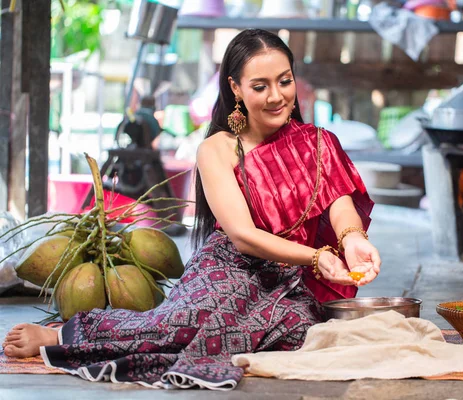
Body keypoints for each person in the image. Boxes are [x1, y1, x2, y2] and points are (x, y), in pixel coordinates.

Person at [2, 29, 381, 390]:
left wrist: (352, 242)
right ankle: (63, 335)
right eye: (260, 86)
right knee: (183, 325)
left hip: (296, 277)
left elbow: (339, 206)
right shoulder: (217, 149)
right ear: (235, 88)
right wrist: (316, 257)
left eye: (284, 81)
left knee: (298, 332)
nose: (277, 96)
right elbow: (243, 236)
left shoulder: (317, 142)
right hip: (233, 266)